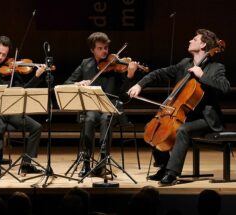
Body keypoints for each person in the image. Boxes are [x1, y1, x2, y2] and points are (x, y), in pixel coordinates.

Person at [127, 29, 230, 186]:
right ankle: (163, 167)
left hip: (205, 119)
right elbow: (159, 74)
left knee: (183, 130)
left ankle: (172, 173)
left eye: (194, 39)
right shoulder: (184, 64)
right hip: (182, 114)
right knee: (152, 127)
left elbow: (225, 87)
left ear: (203, 45)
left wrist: (202, 75)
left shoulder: (216, 67)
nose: (190, 41)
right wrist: (139, 85)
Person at [64, 32, 138, 177]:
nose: (105, 51)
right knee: (90, 118)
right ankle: (86, 163)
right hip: (91, 107)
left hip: (110, 107)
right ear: (92, 50)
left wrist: (129, 76)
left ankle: (103, 161)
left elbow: (123, 95)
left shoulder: (116, 66)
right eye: (100, 48)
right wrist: (79, 83)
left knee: (106, 117)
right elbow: (67, 83)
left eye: (106, 48)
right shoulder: (85, 64)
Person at [0, 35, 46, 178]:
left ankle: (26, 164)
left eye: (4, 54)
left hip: (8, 111)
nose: (1, 57)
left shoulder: (12, 69)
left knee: (36, 127)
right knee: (0, 126)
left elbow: (23, 90)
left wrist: (36, 76)